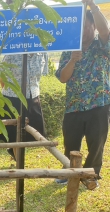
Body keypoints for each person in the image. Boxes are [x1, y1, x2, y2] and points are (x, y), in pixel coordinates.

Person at [55, 0, 110, 190]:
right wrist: (72, 60)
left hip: (98, 104)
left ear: (93, 26)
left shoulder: (102, 45)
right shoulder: (69, 48)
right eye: (80, 27)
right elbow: (62, 78)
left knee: (97, 143)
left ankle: (91, 174)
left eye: (87, 26)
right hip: (74, 105)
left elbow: (106, 32)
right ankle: (70, 172)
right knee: (71, 142)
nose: (84, 31)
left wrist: (93, 6)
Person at [0, 53, 48, 161]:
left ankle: (16, 153)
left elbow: (40, 77)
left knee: (35, 131)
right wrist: (8, 93)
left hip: (33, 96)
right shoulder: (12, 53)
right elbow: (2, 76)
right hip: (12, 96)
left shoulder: (42, 54)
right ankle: (17, 158)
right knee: (13, 132)